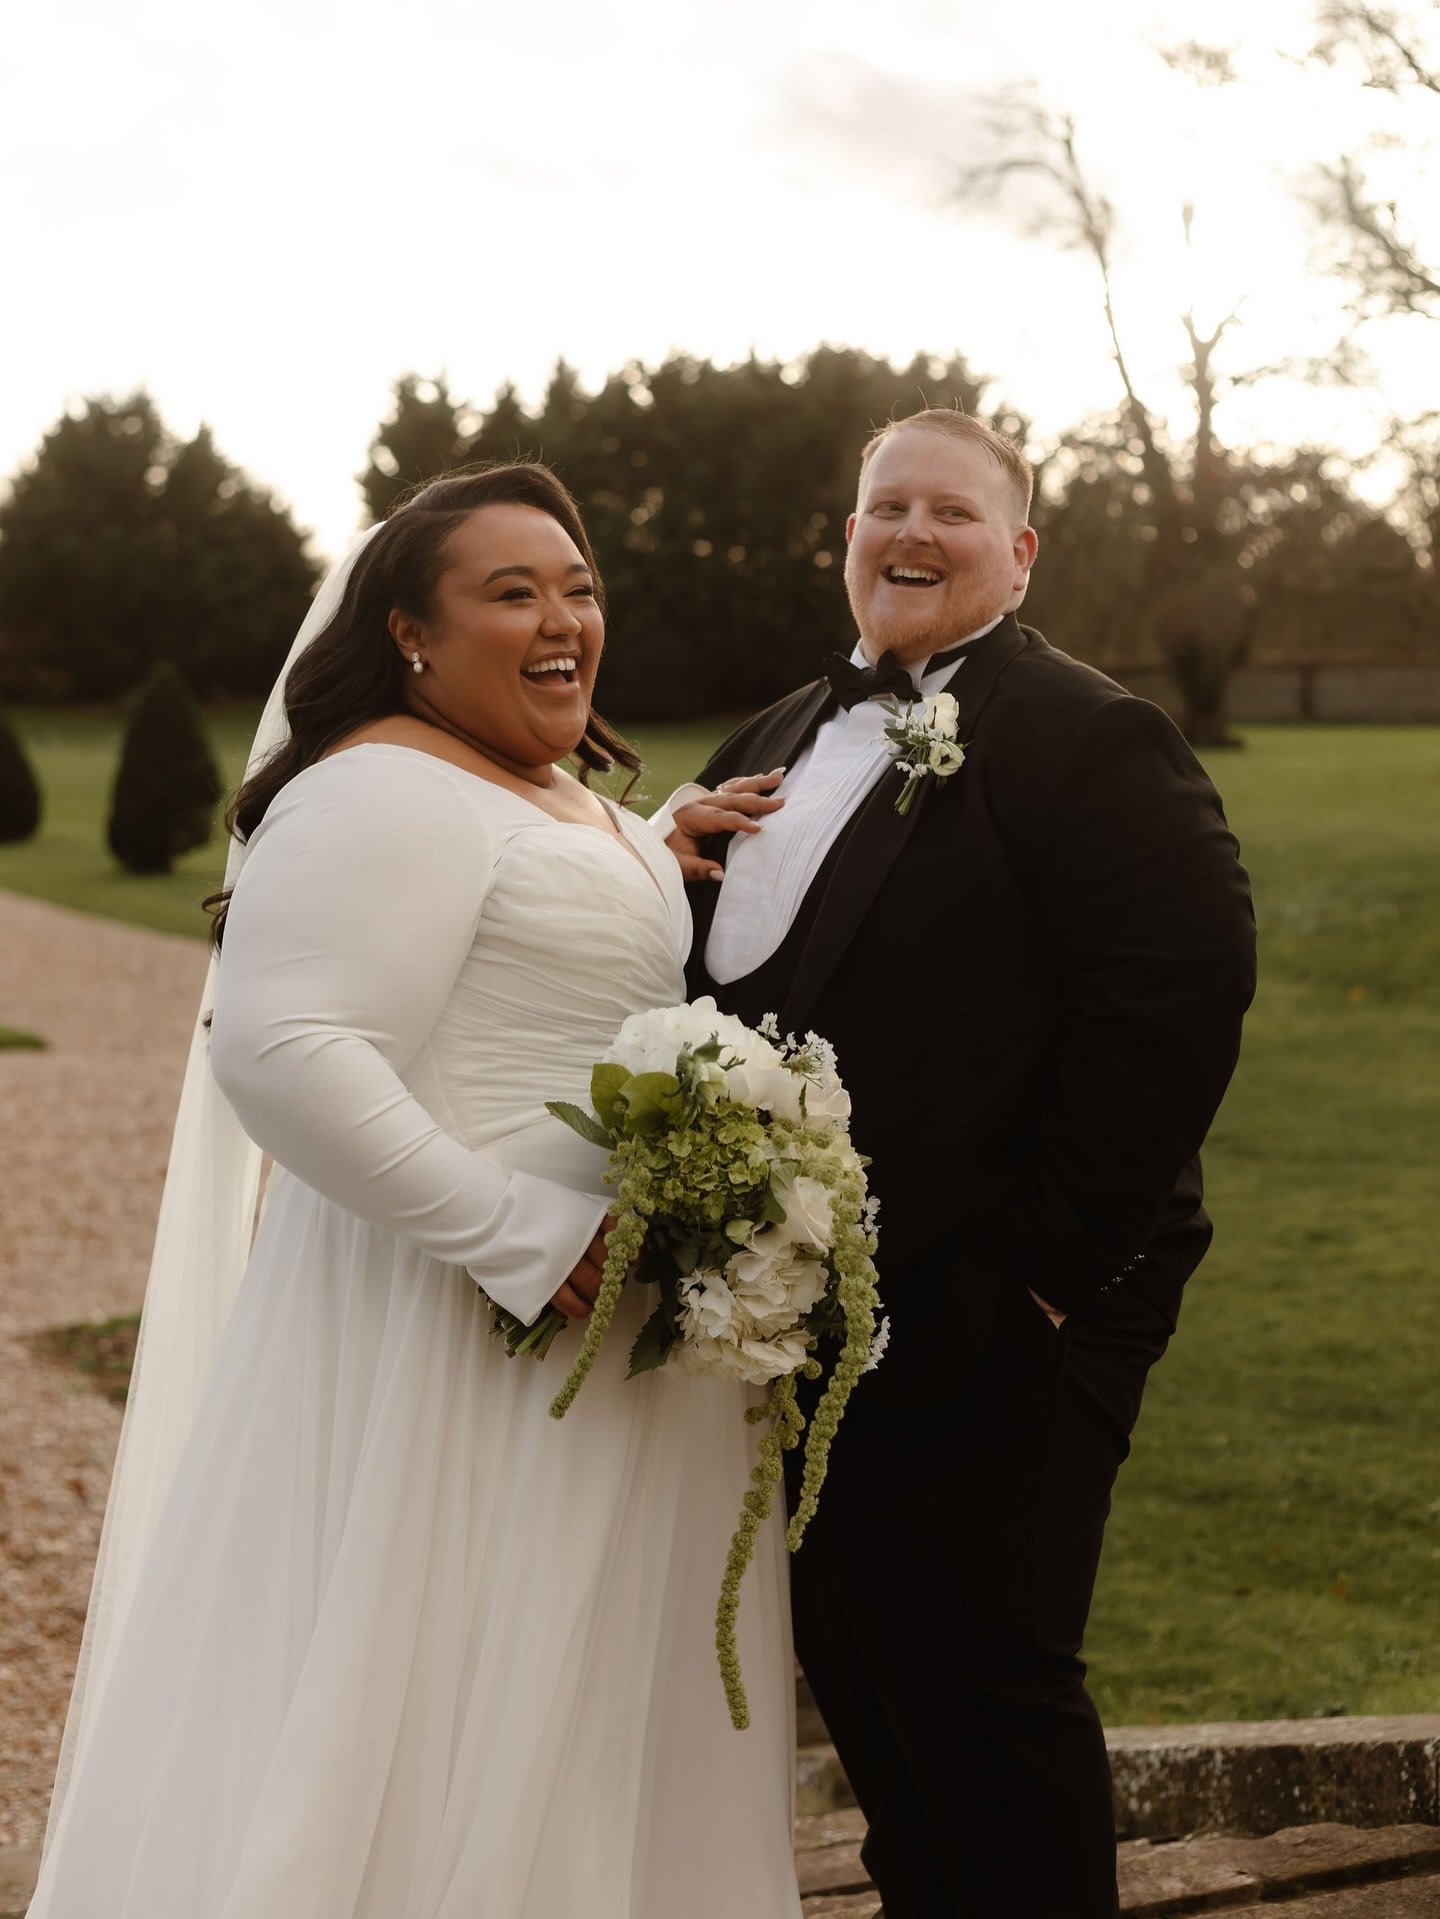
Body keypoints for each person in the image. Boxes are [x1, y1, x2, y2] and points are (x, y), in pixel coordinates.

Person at [29, 465, 801, 1919]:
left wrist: (650, 844)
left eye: (577, 585)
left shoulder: (551, 787)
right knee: (451, 1698)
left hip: (603, 1347)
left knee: (572, 1722)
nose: (564, 616)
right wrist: (513, 1231)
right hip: (461, 1339)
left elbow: (514, 911)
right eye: (511, 593)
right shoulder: (376, 784)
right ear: (409, 636)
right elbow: (286, 1049)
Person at [664, 411, 1257, 1918]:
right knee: (869, 1686)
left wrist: (1047, 1279)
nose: (911, 535)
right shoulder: (773, 736)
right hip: (815, 1312)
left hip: (1012, 1305)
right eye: (884, 509)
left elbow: (1173, 1002)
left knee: (985, 1695)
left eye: (951, 512)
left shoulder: (1088, 733)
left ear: (1021, 551)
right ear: (846, 539)